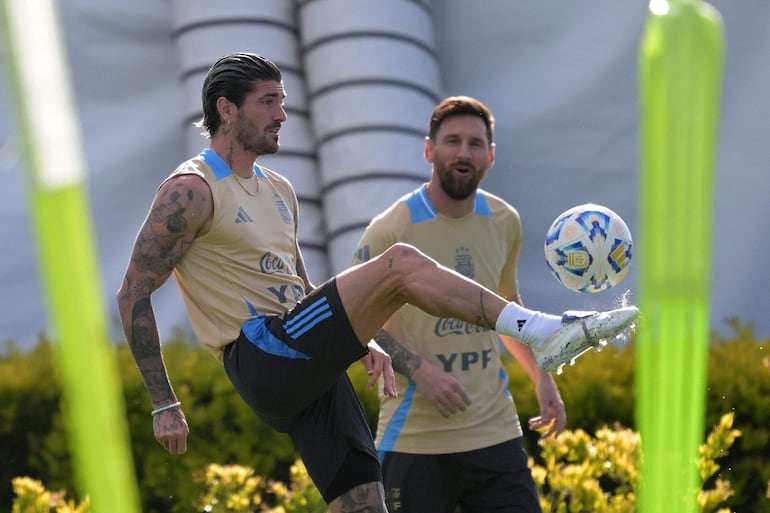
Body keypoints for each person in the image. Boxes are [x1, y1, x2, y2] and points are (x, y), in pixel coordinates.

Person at [116, 53, 638, 513]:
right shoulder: (190, 190)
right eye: (268, 102)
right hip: (262, 353)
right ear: (227, 110)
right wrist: (164, 403)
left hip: (302, 358)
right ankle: (541, 330)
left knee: (365, 503)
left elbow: (300, 284)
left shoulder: (278, 189)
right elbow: (133, 294)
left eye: (283, 101)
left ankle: (539, 331)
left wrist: (357, 336)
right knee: (400, 264)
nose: (282, 115)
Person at [350, 96, 615, 512]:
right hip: (414, 438)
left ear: (490, 156)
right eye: (451, 141)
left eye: (475, 144)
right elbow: (359, 319)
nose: (463, 153)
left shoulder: (505, 220)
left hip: (494, 433)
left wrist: (542, 375)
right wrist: (422, 371)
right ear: (428, 150)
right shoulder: (392, 228)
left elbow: (507, 305)